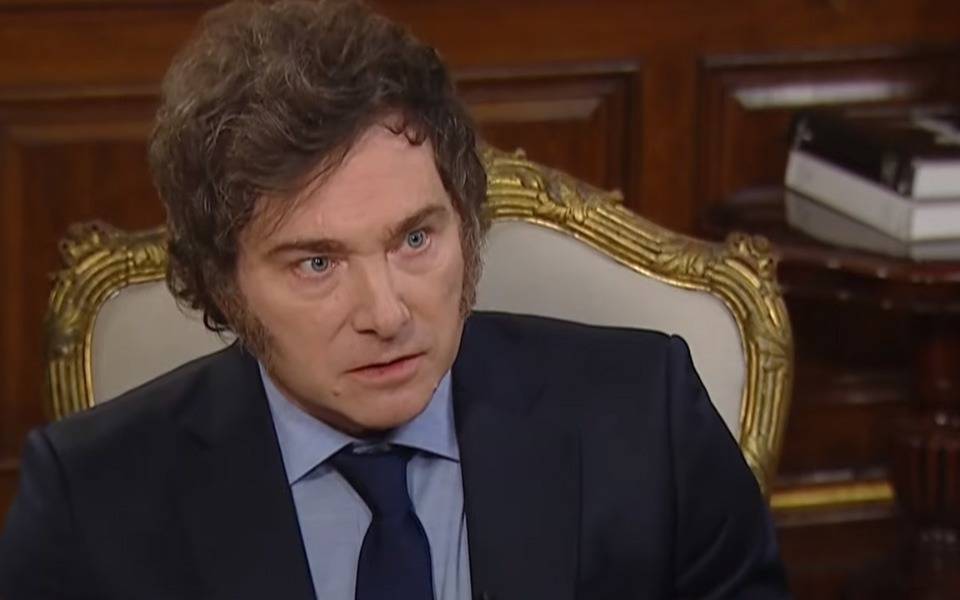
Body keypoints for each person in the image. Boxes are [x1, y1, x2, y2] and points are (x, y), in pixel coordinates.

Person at [0, 1, 789, 598]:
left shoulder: (646, 419)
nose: (387, 314)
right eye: (316, 263)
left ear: (467, 228)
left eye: (415, 239)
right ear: (221, 284)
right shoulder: (91, 501)